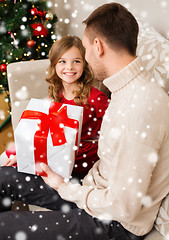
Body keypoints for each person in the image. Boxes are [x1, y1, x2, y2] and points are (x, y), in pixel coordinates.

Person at [0, 2, 169, 240]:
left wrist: (65, 188)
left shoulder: (140, 108)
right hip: (91, 191)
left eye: (86, 49)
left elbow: (124, 207)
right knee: (3, 177)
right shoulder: (124, 89)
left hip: (113, 222)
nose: (86, 59)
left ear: (98, 47)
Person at [4, 36, 109, 182]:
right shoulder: (57, 93)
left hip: (81, 162)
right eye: (62, 61)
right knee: (10, 161)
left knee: (10, 175)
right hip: (58, 154)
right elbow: (49, 133)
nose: (69, 67)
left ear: (84, 64)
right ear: (54, 65)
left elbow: (116, 127)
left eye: (76, 61)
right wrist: (23, 154)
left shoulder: (96, 98)